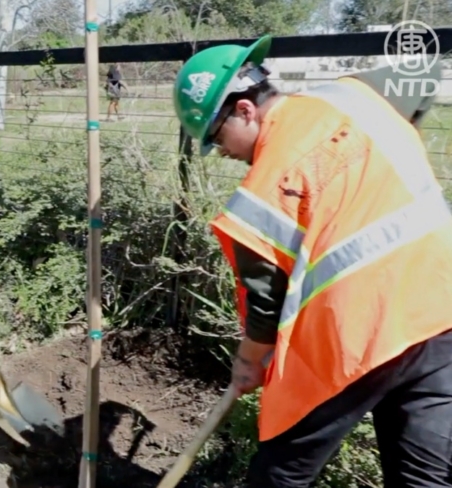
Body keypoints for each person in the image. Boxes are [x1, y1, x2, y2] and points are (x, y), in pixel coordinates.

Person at [173, 35, 452, 486]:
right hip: (439, 307)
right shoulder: (356, 96)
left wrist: (247, 363)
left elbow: (264, 308)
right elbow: (424, 75)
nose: (221, 152)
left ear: (245, 110)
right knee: (425, 479)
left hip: (357, 334)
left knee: (281, 474)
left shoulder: (262, 191)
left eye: (216, 136)